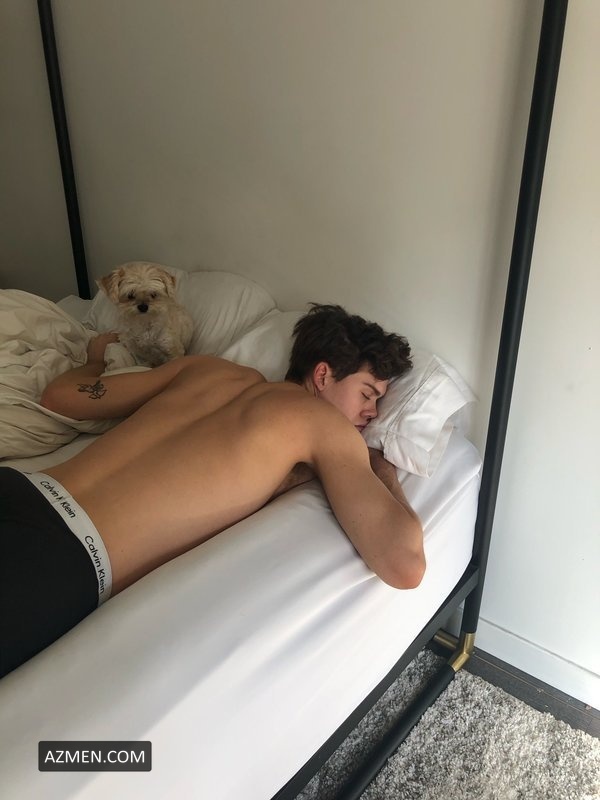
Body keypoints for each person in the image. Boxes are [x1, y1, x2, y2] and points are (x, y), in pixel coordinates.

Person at [0, 304, 425, 678]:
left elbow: (59, 397)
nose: (372, 414)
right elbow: (405, 566)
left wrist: (95, 360)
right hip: (64, 559)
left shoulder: (207, 369)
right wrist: (380, 465)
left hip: (23, 488)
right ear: (323, 374)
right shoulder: (326, 426)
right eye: (367, 394)